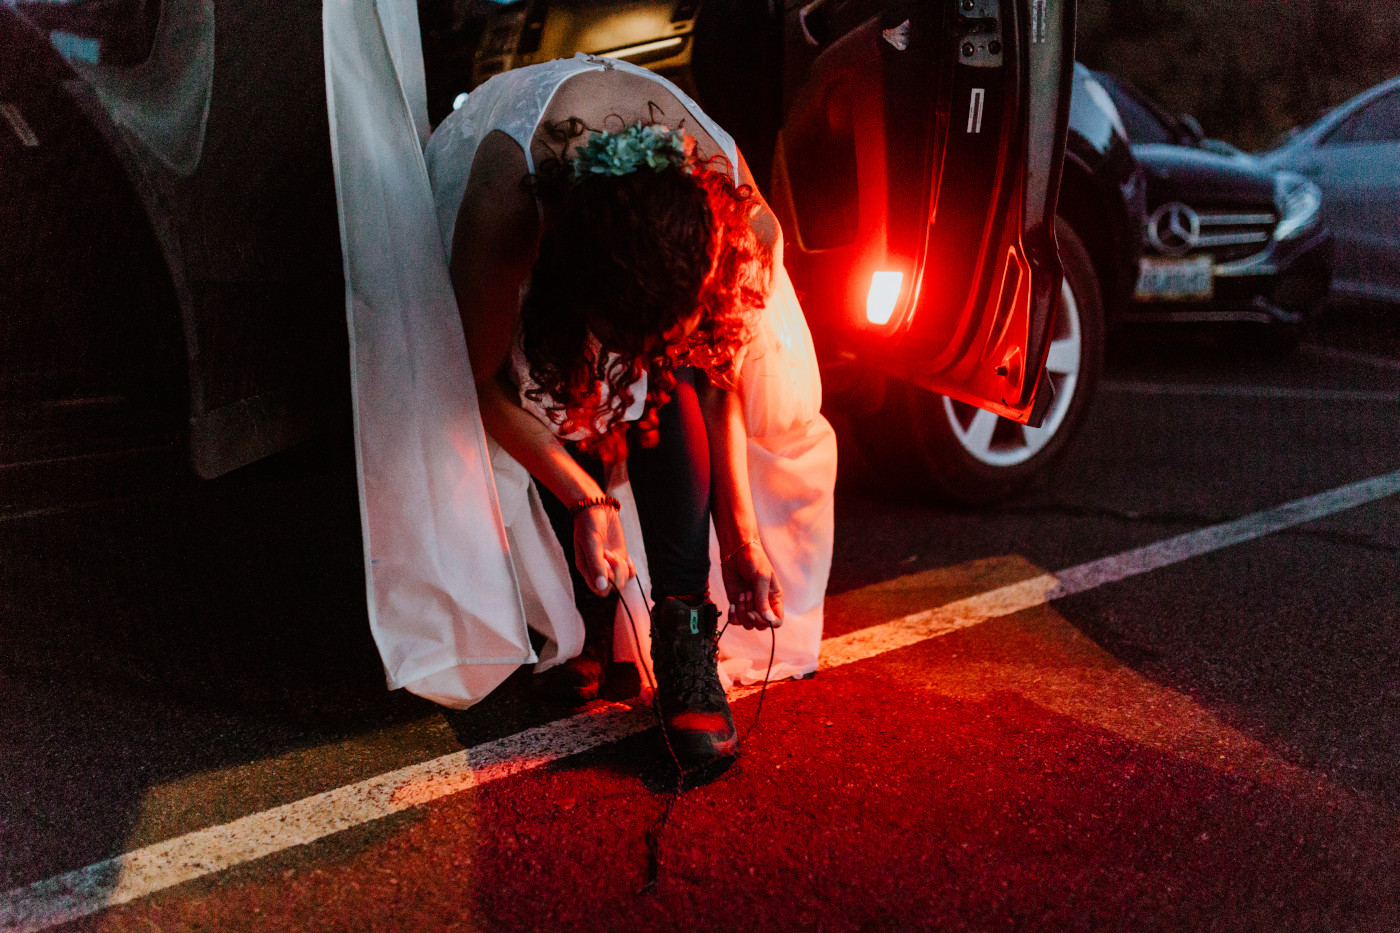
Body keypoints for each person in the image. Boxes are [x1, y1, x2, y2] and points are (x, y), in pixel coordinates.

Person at [415, 53, 837, 772]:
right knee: (531, 394)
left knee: (670, 386)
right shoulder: (505, 207)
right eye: (619, 335)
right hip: (516, 190)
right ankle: (579, 604)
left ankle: (683, 629)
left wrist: (741, 541)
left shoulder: (740, 229)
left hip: (645, 249)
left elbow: (716, 381)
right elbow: (477, 382)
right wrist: (583, 499)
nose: (631, 362)